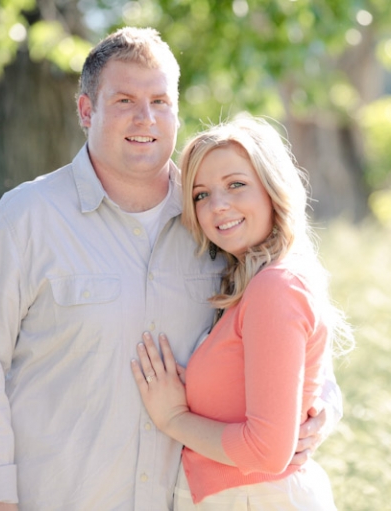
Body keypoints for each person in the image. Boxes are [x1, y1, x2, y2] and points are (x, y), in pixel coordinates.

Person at [0, 27, 342, 511]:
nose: (145, 117)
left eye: (160, 101)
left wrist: (325, 409)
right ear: (86, 111)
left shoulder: (215, 226)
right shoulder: (23, 221)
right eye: (125, 100)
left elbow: (288, 337)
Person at [131, 115, 353, 509]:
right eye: (201, 194)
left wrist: (174, 419)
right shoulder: (252, 283)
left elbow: (267, 452)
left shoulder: (275, 287)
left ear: (272, 189)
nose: (218, 206)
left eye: (236, 185)